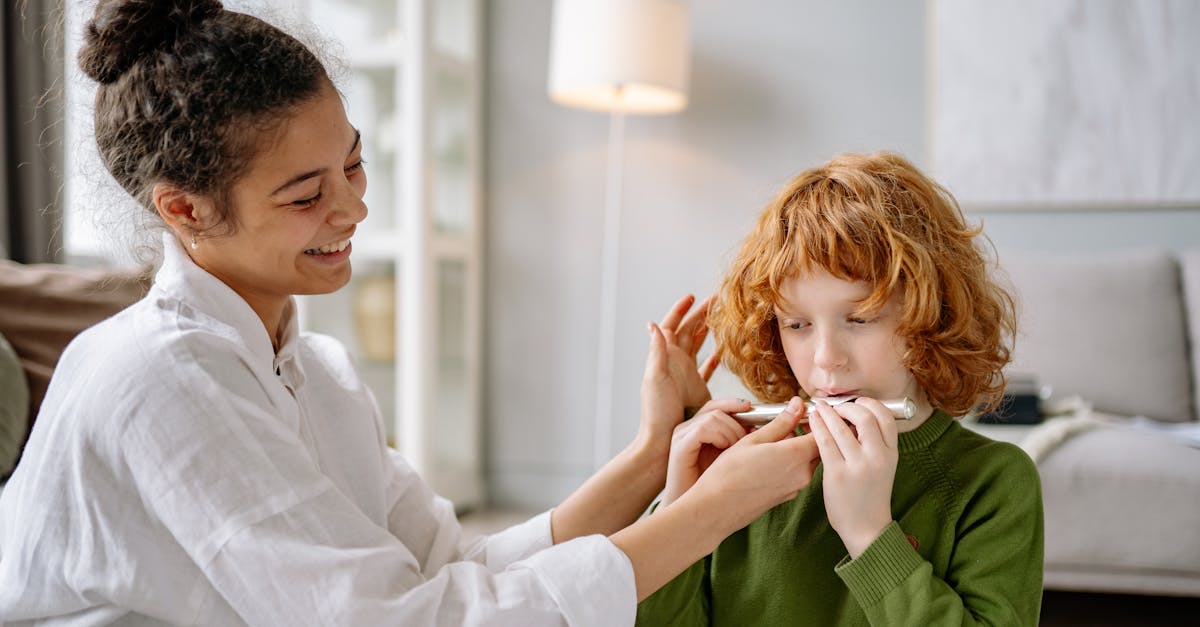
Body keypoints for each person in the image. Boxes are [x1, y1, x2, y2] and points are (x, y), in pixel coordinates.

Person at [0, 1, 823, 624]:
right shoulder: (163, 378)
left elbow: (447, 562)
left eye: (353, 166)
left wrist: (650, 458)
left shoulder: (314, 371)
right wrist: (714, 512)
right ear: (185, 210)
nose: (353, 209)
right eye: (306, 193)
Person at [636, 152, 1044, 625]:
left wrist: (870, 535)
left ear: (933, 316)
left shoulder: (993, 483)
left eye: (861, 318)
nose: (826, 356)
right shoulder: (738, 467)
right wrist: (680, 511)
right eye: (796, 323)